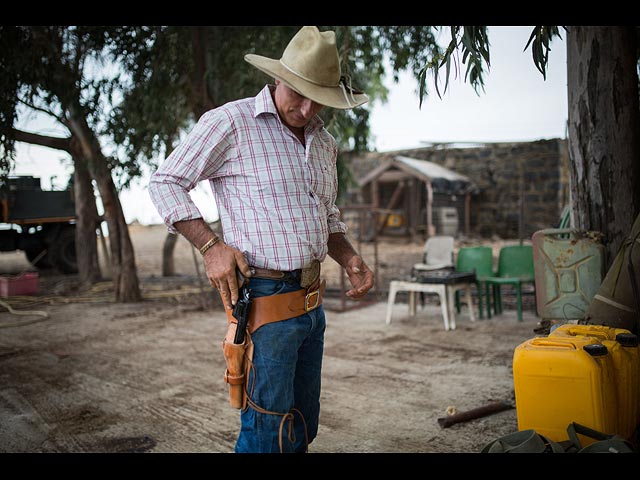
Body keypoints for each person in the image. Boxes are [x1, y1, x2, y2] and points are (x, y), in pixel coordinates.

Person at [148, 25, 374, 453]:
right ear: (278, 79)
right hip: (265, 299)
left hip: (312, 301)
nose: (306, 109)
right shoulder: (230, 123)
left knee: (304, 424)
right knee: (267, 430)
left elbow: (325, 214)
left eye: (318, 100)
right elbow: (166, 183)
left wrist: (348, 257)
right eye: (298, 94)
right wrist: (211, 247)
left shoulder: (324, 143)